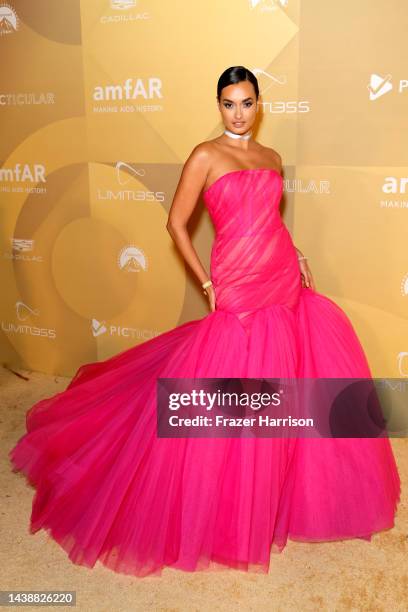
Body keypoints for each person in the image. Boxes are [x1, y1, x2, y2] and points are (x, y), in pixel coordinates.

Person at [9, 66, 401, 579]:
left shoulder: (271, 157)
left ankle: (278, 492)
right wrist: (208, 284)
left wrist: (295, 247)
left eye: (246, 103)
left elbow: (267, 218)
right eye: (228, 103)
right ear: (218, 106)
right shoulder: (205, 155)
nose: (238, 112)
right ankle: (232, 495)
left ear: (258, 104)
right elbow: (175, 222)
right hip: (236, 277)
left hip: (280, 271)